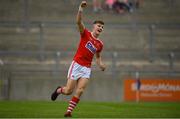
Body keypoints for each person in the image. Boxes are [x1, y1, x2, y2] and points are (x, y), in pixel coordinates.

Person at [51, 1, 106, 117]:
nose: (100, 28)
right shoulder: (85, 34)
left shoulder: (100, 44)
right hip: (76, 64)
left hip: (86, 68)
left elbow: (98, 56)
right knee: (68, 91)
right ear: (94, 26)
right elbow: (78, 22)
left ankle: (69, 111)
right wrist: (80, 8)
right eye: (99, 26)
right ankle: (58, 90)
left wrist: (100, 64)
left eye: (102, 27)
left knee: (80, 90)